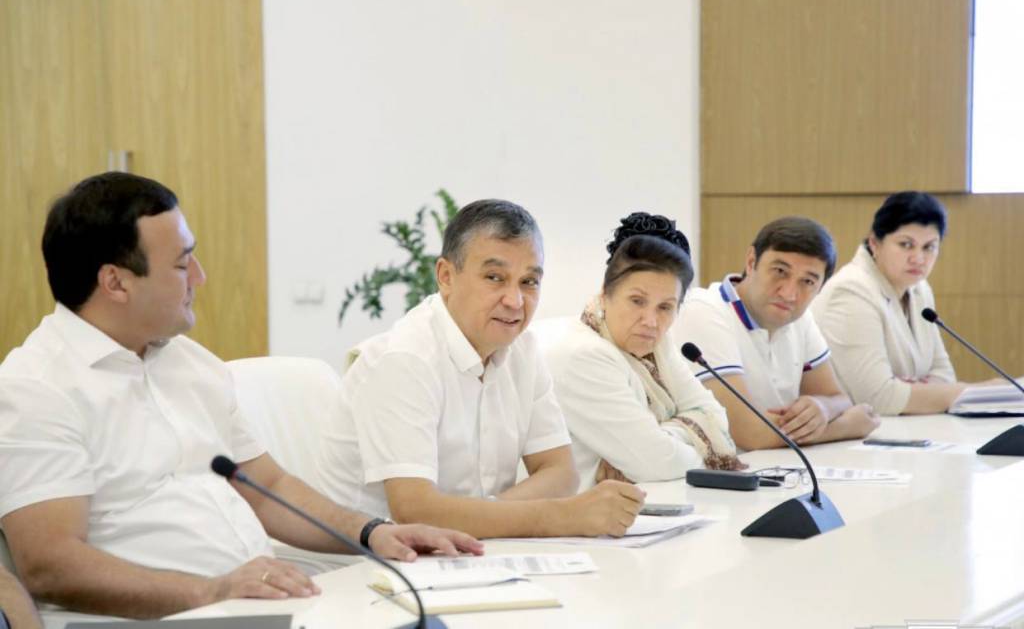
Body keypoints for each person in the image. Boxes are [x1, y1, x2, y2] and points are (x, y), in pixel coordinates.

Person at [0, 173, 482, 621]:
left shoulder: (190, 363)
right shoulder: (36, 388)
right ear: (116, 282)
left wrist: (374, 532)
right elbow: (51, 564)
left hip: (255, 605)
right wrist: (210, 591)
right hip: (159, 618)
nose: (200, 277)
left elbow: (269, 488)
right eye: (182, 264)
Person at [316, 200, 646, 539]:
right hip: (361, 561)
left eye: (529, 282)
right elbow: (414, 510)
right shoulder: (405, 359)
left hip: (464, 552)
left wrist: (486, 517)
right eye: (494, 278)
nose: (515, 301)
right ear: (446, 276)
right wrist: (556, 517)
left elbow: (561, 474)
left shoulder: (522, 349)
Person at [542, 213, 743, 490]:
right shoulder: (582, 354)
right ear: (605, 294)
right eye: (637, 301)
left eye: (665, 307)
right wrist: (695, 445)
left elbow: (715, 417)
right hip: (567, 511)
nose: (650, 321)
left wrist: (659, 438)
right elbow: (659, 463)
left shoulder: (657, 346)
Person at [675, 217, 880, 450]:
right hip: (711, 469)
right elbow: (750, 433)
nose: (789, 294)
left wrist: (822, 407)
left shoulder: (800, 318)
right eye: (780, 271)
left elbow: (838, 398)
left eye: (807, 281)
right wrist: (845, 427)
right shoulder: (703, 310)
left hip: (777, 465)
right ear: (751, 262)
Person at [812, 191, 979, 414]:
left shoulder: (919, 289)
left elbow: (944, 374)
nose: (919, 259)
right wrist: (968, 391)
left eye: (929, 247)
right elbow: (879, 398)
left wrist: (905, 390)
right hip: (853, 430)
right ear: (875, 243)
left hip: (908, 426)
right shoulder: (851, 290)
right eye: (906, 245)